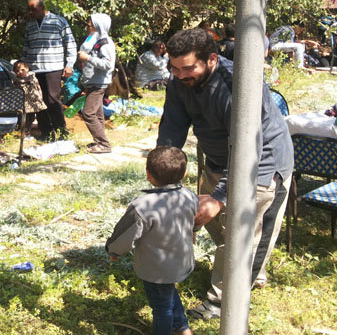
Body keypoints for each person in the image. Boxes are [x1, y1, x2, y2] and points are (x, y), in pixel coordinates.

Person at [156, 28, 293, 321]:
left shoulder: (239, 87)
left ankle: (223, 302)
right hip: (218, 161)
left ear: (212, 59)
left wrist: (219, 198)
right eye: (174, 68)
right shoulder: (179, 82)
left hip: (261, 164)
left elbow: (248, 149)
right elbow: (172, 127)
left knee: (244, 235)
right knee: (216, 225)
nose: (180, 75)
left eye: (188, 68)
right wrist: (163, 174)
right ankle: (247, 270)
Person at [106, 146, 197, 335]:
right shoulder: (189, 196)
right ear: (184, 174)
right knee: (169, 294)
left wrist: (113, 250)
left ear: (148, 174)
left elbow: (125, 235)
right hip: (182, 262)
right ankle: (182, 328)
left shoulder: (143, 206)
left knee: (162, 308)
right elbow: (193, 220)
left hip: (157, 269)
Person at [21, 0, 77, 142]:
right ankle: (46, 132)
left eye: (33, 9)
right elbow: (26, 46)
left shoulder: (59, 21)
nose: (30, 13)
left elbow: (70, 43)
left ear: (42, 8)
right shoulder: (30, 26)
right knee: (38, 101)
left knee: (53, 99)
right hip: (34, 69)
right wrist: (24, 65)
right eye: (29, 10)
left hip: (54, 67)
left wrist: (69, 64)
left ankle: (62, 131)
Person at [77, 14, 116, 154]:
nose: (87, 28)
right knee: (98, 113)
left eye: (90, 26)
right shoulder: (94, 41)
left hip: (99, 83)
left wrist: (88, 58)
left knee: (88, 113)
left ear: (98, 27)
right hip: (93, 82)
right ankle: (99, 141)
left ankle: (104, 144)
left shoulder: (105, 43)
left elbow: (108, 64)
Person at [12, 60, 46, 136]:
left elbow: (37, 87)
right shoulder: (16, 80)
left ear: (27, 69)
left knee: (31, 117)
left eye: (22, 70)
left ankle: (27, 131)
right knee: (23, 118)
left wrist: (40, 97)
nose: (20, 72)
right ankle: (23, 132)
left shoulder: (32, 78)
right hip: (22, 102)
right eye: (17, 71)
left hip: (32, 101)